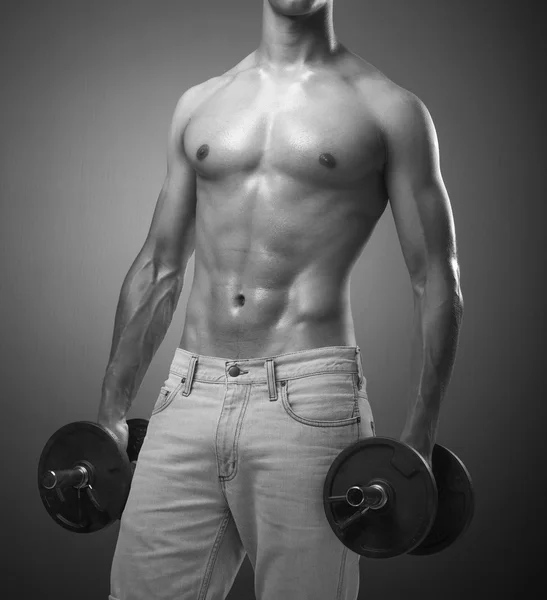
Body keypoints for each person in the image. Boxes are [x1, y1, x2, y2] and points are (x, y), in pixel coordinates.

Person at [97, 1, 464, 598]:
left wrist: (419, 436)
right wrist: (110, 412)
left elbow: (434, 278)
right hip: (187, 395)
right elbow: (160, 264)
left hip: (308, 401)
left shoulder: (388, 109)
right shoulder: (202, 103)